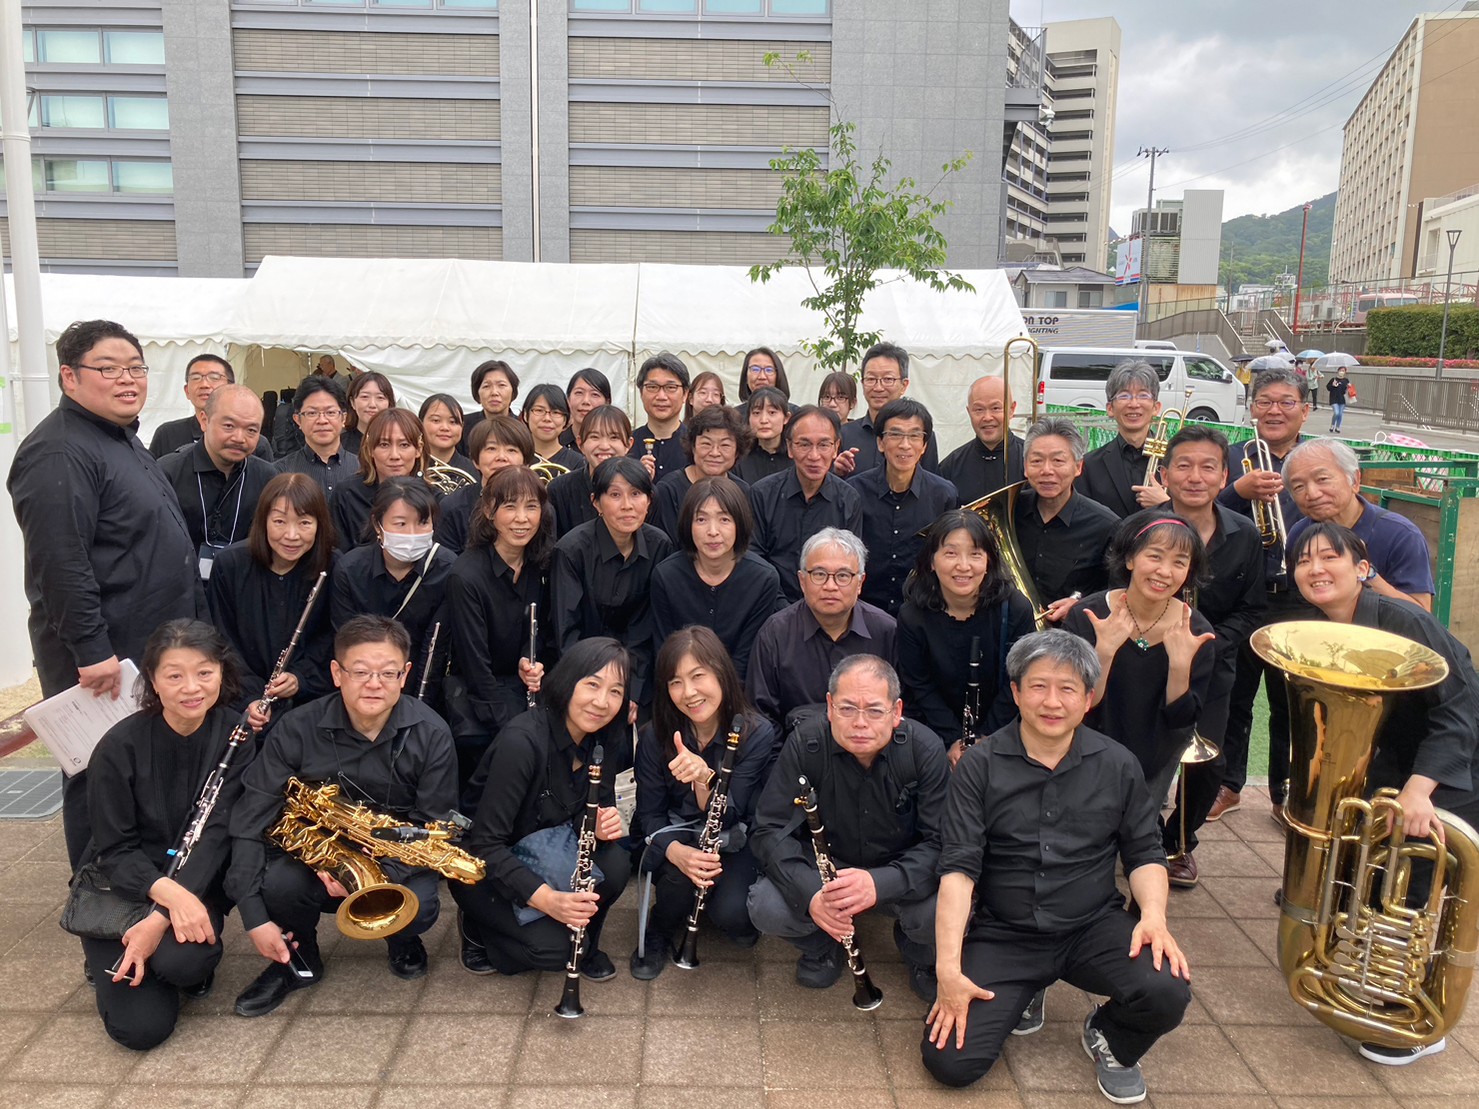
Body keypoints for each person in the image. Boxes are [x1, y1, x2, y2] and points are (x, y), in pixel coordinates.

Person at [922, 630, 1191, 1101]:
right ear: (1016, 692)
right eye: (1038, 686)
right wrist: (948, 970)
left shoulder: (1118, 764)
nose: (1051, 701)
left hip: (1091, 925)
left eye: (1067, 688)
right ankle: (1027, 989)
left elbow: (1144, 852)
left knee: (1167, 989)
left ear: (1087, 699)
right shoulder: (979, 765)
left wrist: (1153, 917)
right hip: (1005, 932)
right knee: (950, 1062)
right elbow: (959, 871)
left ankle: (1111, 1035)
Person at [8, 319, 204, 867]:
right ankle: (100, 895)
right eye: (108, 368)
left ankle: (142, 885)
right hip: (105, 661)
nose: (127, 379)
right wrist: (91, 649)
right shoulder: (59, 452)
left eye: (136, 368)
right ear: (69, 377)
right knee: (101, 776)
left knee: (139, 774)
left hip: (145, 649)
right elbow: (60, 562)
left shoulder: (119, 438)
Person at [1287, 521, 1479, 1068]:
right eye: (1303, 560)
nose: (1315, 569)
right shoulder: (1320, 627)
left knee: (1413, 884)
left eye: (1330, 557)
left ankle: (1415, 1019)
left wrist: (1420, 789)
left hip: (1448, 766)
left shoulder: (1402, 619)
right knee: (1370, 878)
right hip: (1391, 763)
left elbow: (1460, 707)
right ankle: (1371, 977)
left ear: (1363, 568)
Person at [227, 615, 459, 1014]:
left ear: (405, 675)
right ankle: (298, 957)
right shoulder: (296, 728)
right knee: (278, 884)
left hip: (391, 858)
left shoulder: (432, 733)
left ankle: (401, 938)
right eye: (361, 672)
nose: (374, 684)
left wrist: (368, 874)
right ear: (337, 673)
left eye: (387, 673)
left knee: (420, 906)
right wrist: (252, 916)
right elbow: (251, 817)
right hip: (315, 857)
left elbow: (432, 826)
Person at [81, 620, 253, 1050]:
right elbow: (115, 849)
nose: (191, 687)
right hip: (124, 883)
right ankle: (119, 959)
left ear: (222, 672)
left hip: (195, 880)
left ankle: (171, 966)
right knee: (140, 1031)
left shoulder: (237, 736)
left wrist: (159, 918)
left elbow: (216, 838)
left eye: (204, 672)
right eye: (174, 676)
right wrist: (165, 897)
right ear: (153, 681)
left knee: (187, 962)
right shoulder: (118, 747)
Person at [748, 655, 948, 1000]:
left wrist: (880, 882)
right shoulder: (805, 744)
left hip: (897, 869)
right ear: (829, 706)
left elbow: (943, 843)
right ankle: (823, 946)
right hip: (828, 874)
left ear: (897, 711)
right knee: (765, 905)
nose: (860, 723)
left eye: (874, 710)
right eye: (847, 709)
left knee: (945, 907)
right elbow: (769, 830)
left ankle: (918, 953)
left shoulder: (924, 750)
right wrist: (811, 893)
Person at [451, 638, 632, 978]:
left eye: (615, 692)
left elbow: (590, 810)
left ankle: (585, 943)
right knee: (552, 952)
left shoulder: (605, 737)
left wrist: (596, 825)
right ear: (567, 681)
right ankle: (478, 929)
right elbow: (485, 845)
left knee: (616, 863)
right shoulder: (521, 742)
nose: (602, 702)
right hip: (487, 871)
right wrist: (547, 900)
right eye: (592, 685)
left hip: (549, 852)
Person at [629, 627, 778, 979]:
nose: (689, 692)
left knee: (736, 918)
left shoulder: (757, 733)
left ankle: (713, 902)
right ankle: (660, 927)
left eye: (698, 676)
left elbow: (731, 814)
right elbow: (648, 816)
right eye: (675, 682)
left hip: (731, 835)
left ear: (721, 673)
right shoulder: (654, 735)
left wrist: (704, 778)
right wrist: (677, 853)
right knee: (679, 881)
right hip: (674, 834)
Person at [1155, 426, 1266, 887]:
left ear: (1224, 477)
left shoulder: (1245, 535)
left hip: (1213, 664)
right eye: (1183, 466)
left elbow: (1252, 608)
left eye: (1207, 468)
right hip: (1149, 660)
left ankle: (1179, 843)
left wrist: (1209, 643)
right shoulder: (1139, 528)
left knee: (1208, 763)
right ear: (1165, 475)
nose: (1195, 477)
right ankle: (1136, 837)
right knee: (1142, 753)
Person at [1211, 367, 1312, 824]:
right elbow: (1202, 508)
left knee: (1290, 702)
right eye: (1265, 401)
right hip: (1243, 595)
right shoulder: (1233, 457)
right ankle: (1229, 784)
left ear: (1305, 411)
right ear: (1251, 409)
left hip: (1298, 597)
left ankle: (1284, 793)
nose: (1274, 410)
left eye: (1286, 402)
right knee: (1235, 696)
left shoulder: (1315, 458)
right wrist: (1237, 491)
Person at [1062, 513, 1217, 798]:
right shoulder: (1088, 615)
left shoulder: (1195, 631)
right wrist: (1104, 651)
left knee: (1140, 823)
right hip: (1085, 755)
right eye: (1155, 556)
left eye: (1179, 562)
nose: (1164, 572)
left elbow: (1181, 719)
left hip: (1154, 762)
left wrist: (1180, 666)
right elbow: (1076, 705)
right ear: (1130, 558)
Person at [445, 466, 554, 783]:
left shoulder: (539, 564)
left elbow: (539, 634)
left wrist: (529, 660)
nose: (522, 519)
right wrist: (512, 730)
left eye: (531, 507)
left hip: (520, 689)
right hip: (482, 701)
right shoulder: (466, 575)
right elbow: (475, 665)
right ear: (489, 511)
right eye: (510, 506)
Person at [897, 511, 1036, 758]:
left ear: (989, 560)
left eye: (975, 554)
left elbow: (1020, 679)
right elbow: (919, 686)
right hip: (934, 737)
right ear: (931, 561)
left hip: (1006, 734)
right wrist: (953, 740)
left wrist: (985, 738)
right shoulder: (911, 616)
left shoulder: (1016, 609)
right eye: (950, 553)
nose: (963, 566)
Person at [552, 457, 674, 730]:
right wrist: (600, 689)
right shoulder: (571, 551)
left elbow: (647, 626)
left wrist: (631, 690)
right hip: (581, 674)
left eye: (636, 494)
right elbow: (566, 632)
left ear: (649, 500)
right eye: (615, 495)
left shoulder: (659, 546)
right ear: (596, 502)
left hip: (638, 676)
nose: (627, 505)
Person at [206, 472, 338, 719]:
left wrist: (300, 678)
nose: (291, 535)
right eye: (279, 521)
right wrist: (250, 698)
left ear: (319, 525)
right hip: (239, 699)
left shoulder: (333, 567)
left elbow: (334, 637)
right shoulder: (230, 564)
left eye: (304, 523)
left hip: (311, 704)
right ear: (263, 520)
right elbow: (222, 638)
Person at [747, 528, 896, 735]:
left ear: (860, 583)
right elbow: (760, 716)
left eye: (843, 576)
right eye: (819, 574)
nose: (830, 586)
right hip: (795, 751)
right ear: (802, 581)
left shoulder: (886, 631)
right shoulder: (775, 633)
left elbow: (901, 710)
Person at [331, 478, 455, 706]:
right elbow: (346, 640)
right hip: (363, 682)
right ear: (377, 524)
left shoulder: (446, 568)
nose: (412, 534)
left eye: (423, 523)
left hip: (422, 685)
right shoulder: (349, 570)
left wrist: (419, 705)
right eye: (400, 524)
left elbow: (435, 648)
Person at [650, 477, 784, 682]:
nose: (713, 532)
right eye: (701, 519)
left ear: (739, 523)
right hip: (680, 686)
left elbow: (748, 656)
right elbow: (664, 650)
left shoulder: (763, 579)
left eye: (724, 519)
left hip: (739, 689)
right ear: (688, 524)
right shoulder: (666, 576)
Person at [1284, 438, 1433, 610]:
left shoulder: (1400, 535)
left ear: (1354, 480)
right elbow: (1297, 604)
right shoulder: (1299, 534)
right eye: (1299, 487)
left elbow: (1421, 614)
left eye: (1322, 479)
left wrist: (1366, 573)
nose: (1312, 493)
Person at [848, 398, 959, 615]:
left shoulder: (944, 494)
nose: (905, 445)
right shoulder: (855, 491)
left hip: (924, 612)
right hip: (864, 611)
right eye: (895, 434)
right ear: (880, 442)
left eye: (914, 436)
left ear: (924, 445)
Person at [748, 405, 864, 603]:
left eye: (824, 445)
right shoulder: (762, 494)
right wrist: (782, 609)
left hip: (828, 605)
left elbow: (850, 563)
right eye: (804, 444)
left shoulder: (848, 500)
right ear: (790, 447)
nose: (814, 456)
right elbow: (755, 559)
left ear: (836, 447)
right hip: (770, 605)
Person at [158, 384, 278, 574]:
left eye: (251, 430)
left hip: (242, 584)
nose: (239, 438)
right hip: (179, 583)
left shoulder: (267, 478)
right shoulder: (167, 473)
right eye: (229, 426)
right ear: (204, 420)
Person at [1013, 416, 1118, 622]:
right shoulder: (1010, 510)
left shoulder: (1106, 526)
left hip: (1073, 633)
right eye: (1037, 461)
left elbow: (1118, 591)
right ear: (1025, 467)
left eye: (1058, 461)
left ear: (1078, 467)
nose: (1046, 470)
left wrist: (1083, 604)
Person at [1075, 362, 1171, 518]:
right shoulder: (1089, 466)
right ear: (1110, 408)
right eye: (1124, 396)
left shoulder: (1177, 462)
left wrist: (1166, 504)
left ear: (1156, 407)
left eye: (1143, 395)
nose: (1134, 404)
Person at [435, 414, 538, 555]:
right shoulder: (453, 507)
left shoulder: (540, 507)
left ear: (525, 462)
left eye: (511, 450)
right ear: (475, 460)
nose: (501, 457)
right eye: (491, 448)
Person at [651, 404, 753, 543]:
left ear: (737, 451)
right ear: (693, 446)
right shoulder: (669, 489)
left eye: (725, 445)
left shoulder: (742, 490)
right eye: (706, 444)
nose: (715, 453)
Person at [835, 342, 940, 477]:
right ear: (862, 383)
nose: (878, 388)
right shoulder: (844, 434)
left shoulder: (920, 435)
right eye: (871, 379)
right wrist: (836, 471)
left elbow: (929, 483)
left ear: (904, 385)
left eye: (888, 379)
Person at [329, 408, 427, 552]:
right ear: (370, 449)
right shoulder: (347, 495)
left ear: (418, 449)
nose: (394, 455)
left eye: (404, 445)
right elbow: (337, 553)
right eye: (384, 445)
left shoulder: (433, 498)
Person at [148, 353, 273, 461]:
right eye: (196, 378)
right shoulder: (167, 434)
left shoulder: (255, 442)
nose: (204, 384)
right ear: (187, 391)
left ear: (231, 388)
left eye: (214, 378)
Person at [546, 404, 632, 539]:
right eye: (595, 437)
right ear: (580, 443)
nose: (604, 446)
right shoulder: (558, 490)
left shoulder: (642, 491)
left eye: (614, 437)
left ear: (628, 444)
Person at [938, 374, 1025, 503]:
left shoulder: (1030, 460)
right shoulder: (950, 467)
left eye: (995, 408)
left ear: (1012, 409)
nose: (987, 417)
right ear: (969, 412)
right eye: (979, 409)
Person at [274, 374, 359, 497]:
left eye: (330, 412)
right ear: (298, 420)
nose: (322, 420)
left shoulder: (363, 469)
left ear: (343, 418)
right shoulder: (281, 472)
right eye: (312, 413)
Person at [628, 353, 691, 483]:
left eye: (671, 387)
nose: (661, 396)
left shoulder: (696, 445)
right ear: (641, 392)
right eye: (652, 387)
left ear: (685, 394)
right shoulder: (627, 445)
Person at [520, 383, 585, 473]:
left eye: (556, 412)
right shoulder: (514, 457)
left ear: (565, 419)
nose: (547, 418)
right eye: (539, 410)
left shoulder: (578, 463)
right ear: (525, 415)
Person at [734, 385, 792, 485]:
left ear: (786, 418)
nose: (764, 420)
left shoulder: (796, 455)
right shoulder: (739, 458)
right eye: (756, 413)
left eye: (772, 412)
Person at [460, 359, 520, 454]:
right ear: (477, 393)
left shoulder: (524, 427)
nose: (494, 392)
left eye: (501, 385)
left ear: (513, 392)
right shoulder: (463, 425)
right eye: (486, 386)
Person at [418, 393, 479, 485]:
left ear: (462, 426)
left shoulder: (474, 470)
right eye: (436, 420)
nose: (445, 428)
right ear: (420, 423)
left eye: (453, 422)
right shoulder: (408, 466)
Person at [342, 371, 396, 457]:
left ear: (389, 404)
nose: (372, 404)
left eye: (380, 397)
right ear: (352, 402)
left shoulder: (400, 441)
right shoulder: (339, 445)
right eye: (365, 397)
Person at [563, 367, 612, 448]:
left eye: (595, 394)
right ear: (568, 399)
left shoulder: (617, 445)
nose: (585, 401)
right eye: (579, 393)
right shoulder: (556, 444)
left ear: (607, 402)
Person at [1326, 367, 1351, 433]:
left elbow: (1347, 390)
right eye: (1340, 370)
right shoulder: (1333, 379)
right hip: (1334, 398)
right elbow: (1328, 388)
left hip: (1342, 399)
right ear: (1338, 371)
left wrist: (1349, 387)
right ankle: (1332, 425)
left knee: (1340, 414)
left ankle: (1338, 427)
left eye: (1343, 371)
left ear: (1345, 372)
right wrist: (1333, 385)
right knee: (1336, 413)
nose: (1341, 372)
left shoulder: (1346, 380)